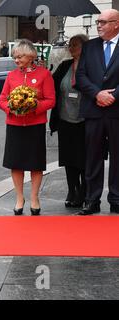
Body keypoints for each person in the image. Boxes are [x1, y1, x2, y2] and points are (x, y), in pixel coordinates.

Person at [0, 39, 56, 216]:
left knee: (35, 164)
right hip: (14, 125)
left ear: (30, 56)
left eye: (20, 56)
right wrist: (12, 108)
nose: (16, 60)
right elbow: (1, 99)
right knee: (16, 163)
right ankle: (19, 198)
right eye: (15, 57)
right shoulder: (11, 76)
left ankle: (34, 198)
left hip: (35, 125)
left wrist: (32, 107)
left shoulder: (44, 74)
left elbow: (51, 100)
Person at [76, 9, 119, 215]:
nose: (98, 25)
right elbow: (81, 75)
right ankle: (91, 200)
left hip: (117, 110)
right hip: (94, 110)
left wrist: (113, 96)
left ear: (116, 24)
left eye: (103, 22)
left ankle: (116, 199)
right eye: (97, 22)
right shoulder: (89, 46)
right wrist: (97, 94)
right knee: (92, 157)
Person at [50, 34, 89, 209]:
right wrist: (44, 69)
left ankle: (84, 191)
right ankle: (72, 190)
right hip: (65, 119)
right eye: (70, 45)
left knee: (84, 160)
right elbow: (51, 83)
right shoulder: (65, 65)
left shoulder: (92, 66)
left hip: (85, 120)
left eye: (75, 45)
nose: (71, 48)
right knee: (68, 159)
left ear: (85, 47)